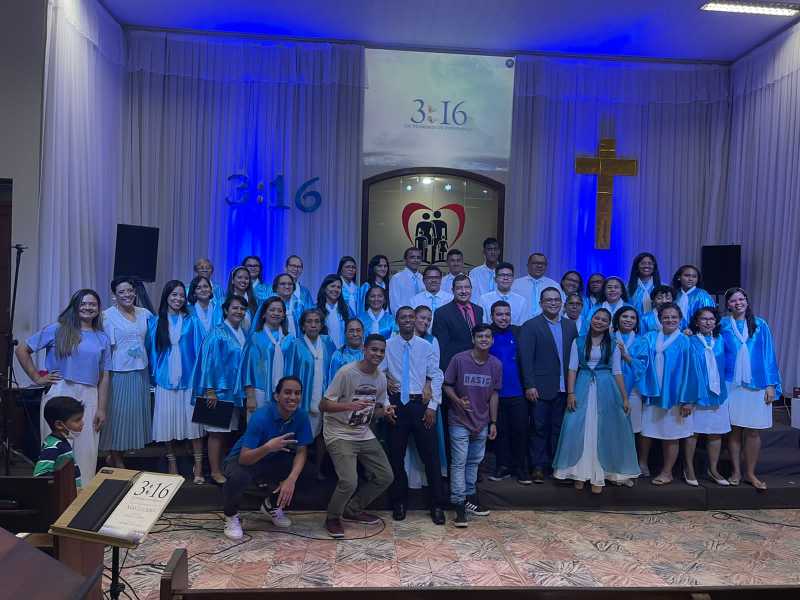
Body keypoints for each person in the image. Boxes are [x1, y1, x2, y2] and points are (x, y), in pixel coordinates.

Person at [17, 289, 110, 484]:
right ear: (75, 306)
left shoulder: (102, 337)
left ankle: (82, 496)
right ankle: (54, 496)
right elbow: (22, 349)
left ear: (98, 309)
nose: (88, 307)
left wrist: (102, 408)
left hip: (89, 394)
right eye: (83, 303)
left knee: (87, 451)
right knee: (56, 450)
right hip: (60, 391)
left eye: (92, 304)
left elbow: (104, 376)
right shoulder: (57, 329)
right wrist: (37, 377)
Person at [553, 308, 639, 493]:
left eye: (604, 320)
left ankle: (599, 474)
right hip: (582, 386)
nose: (599, 322)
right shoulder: (578, 341)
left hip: (607, 388)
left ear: (609, 324)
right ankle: (579, 473)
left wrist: (625, 397)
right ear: (591, 319)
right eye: (596, 318)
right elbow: (572, 369)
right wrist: (570, 393)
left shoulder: (614, 344)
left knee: (604, 429)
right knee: (577, 428)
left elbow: (617, 371)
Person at [320, 335, 395, 538]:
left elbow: (374, 411)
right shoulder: (347, 372)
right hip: (338, 431)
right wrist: (348, 406)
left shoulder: (380, 378)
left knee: (385, 476)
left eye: (381, 351)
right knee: (349, 481)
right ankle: (333, 517)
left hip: (362, 431)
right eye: (374, 349)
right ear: (364, 349)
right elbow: (323, 405)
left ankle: (353, 509)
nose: (378, 354)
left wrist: (384, 412)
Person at [222, 376, 312, 540]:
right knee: (238, 476)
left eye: (297, 393)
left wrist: (291, 479)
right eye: (288, 392)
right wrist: (268, 447)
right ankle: (231, 515)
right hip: (244, 458)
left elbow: (301, 451)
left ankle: (271, 506)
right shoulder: (261, 416)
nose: (293, 397)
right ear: (277, 396)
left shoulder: (301, 416)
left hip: (272, 458)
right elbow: (244, 458)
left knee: (304, 470)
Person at [383, 307, 446, 525]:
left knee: (431, 457)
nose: (408, 320)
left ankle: (437, 504)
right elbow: (379, 373)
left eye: (411, 317)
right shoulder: (388, 345)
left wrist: (433, 407)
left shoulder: (425, 346)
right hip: (396, 406)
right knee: (396, 457)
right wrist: (385, 404)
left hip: (421, 405)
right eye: (404, 317)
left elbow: (436, 375)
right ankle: (399, 502)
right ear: (397, 321)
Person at [720, 288, 782, 490]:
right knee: (734, 430)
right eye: (733, 300)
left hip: (757, 384)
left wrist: (771, 384)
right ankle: (736, 471)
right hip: (731, 384)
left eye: (741, 299)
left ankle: (750, 473)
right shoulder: (723, 324)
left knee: (753, 431)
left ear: (747, 301)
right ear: (728, 305)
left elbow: (769, 354)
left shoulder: (760, 324)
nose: (738, 303)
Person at [518, 286, 578, 483]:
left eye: (556, 299)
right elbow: (525, 358)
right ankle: (538, 466)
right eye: (548, 300)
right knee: (539, 428)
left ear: (562, 303)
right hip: (540, 387)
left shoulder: (570, 325)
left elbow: (574, 358)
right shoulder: (531, 325)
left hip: (565, 387)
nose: (553, 303)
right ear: (541, 303)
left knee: (559, 428)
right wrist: (529, 385)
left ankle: (557, 465)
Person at [634, 303, 698, 485]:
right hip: (653, 392)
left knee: (671, 433)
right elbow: (637, 359)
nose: (670, 320)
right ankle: (642, 464)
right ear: (659, 319)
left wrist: (688, 400)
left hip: (675, 396)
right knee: (647, 431)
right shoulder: (650, 337)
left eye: (674, 317)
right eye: (666, 317)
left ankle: (667, 472)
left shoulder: (685, 341)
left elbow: (692, 371)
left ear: (680, 319)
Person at [148, 281, 205, 483]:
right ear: (166, 296)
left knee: (193, 426)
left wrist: (200, 379)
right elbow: (153, 352)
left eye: (181, 295)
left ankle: (198, 465)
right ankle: (172, 462)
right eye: (174, 295)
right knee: (166, 424)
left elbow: (200, 350)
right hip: (165, 380)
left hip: (189, 379)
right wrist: (154, 378)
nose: (178, 299)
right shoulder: (156, 321)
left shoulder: (192, 321)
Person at [444, 324, 500, 527]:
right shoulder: (459, 360)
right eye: (480, 336)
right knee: (459, 463)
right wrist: (458, 401)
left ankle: (469, 499)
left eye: (487, 336)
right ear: (473, 339)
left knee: (474, 462)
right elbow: (447, 385)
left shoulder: (496, 364)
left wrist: (493, 422)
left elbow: (494, 394)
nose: (484, 339)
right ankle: (459, 504)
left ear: (492, 340)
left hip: (482, 421)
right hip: (459, 420)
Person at [192, 295, 248, 485]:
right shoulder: (217, 332)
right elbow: (208, 363)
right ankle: (215, 472)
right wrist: (209, 390)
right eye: (235, 308)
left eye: (242, 309)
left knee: (225, 432)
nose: (239, 311)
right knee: (215, 433)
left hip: (233, 391)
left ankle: (221, 468)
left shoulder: (242, 332)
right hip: (218, 391)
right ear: (225, 310)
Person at [100, 277, 153, 469]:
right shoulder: (106, 316)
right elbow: (105, 348)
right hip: (118, 372)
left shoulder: (144, 313)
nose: (127, 295)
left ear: (135, 292)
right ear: (114, 295)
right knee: (118, 416)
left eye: (130, 291)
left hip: (140, 370)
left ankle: (117, 456)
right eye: (121, 292)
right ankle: (116, 458)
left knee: (133, 416)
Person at [285, 309, 337, 479]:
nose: (313, 325)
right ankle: (295, 472)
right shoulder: (295, 344)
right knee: (300, 436)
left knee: (322, 436)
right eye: (309, 321)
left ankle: (317, 469)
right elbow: (289, 371)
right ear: (302, 325)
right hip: (302, 399)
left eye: (317, 321)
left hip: (324, 398)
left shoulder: (328, 342)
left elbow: (334, 369)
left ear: (321, 325)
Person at [685, 307, 731, 487]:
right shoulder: (689, 340)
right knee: (692, 432)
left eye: (711, 319)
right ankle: (688, 468)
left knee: (716, 432)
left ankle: (713, 469)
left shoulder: (720, 339)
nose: (708, 322)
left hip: (718, 394)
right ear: (696, 322)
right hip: (696, 394)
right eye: (703, 319)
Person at [487, 301, 531, 485]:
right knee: (500, 432)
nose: (503, 318)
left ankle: (521, 468)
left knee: (520, 431)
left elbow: (527, 360)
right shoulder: (487, 333)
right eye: (499, 314)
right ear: (492, 316)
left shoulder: (519, 332)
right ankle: (503, 466)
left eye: (507, 314)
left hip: (518, 392)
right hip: (494, 394)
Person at [240, 297, 294, 412]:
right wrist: (250, 397)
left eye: (280, 311)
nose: (276, 313)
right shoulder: (255, 338)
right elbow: (247, 369)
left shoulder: (290, 339)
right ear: (264, 314)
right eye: (272, 310)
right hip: (259, 392)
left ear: (284, 316)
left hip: (285, 394)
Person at [612, 307, 648, 469]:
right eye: (624, 316)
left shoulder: (642, 341)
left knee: (632, 428)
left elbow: (644, 367)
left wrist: (626, 356)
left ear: (637, 322)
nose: (628, 320)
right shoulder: (610, 338)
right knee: (612, 427)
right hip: (611, 388)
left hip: (633, 390)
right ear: (617, 319)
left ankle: (630, 464)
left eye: (632, 317)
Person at [432, 274, 484, 372]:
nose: (464, 291)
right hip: (455, 367)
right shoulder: (442, 313)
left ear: (471, 289)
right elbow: (442, 348)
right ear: (453, 290)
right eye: (459, 288)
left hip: (478, 365)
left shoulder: (479, 310)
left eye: (467, 287)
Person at [34, 396, 84, 488]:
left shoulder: (61, 442)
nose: (82, 423)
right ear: (59, 425)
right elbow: (40, 475)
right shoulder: (53, 446)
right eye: (77, 420)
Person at [512, 253, 563, 320]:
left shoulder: (554, 285)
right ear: (528, 265)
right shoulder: (515, 284)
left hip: (546, 324)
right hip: (520, 323)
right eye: (535, 263)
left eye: (543, 264)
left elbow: (561, 307)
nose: (539, 266)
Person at [671, 265, 716, 331]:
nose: (690, 279)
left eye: (694, 276)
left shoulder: (702, 295)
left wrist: (693, 329)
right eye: (687, 275)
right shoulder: (674, 294)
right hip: (674, 332)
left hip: (697, 332)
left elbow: (710, 316)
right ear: (679, 277)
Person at [410, 265, 453, 330]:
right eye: (430, 277)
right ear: (423, 280)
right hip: (422, 335)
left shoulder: (451, 299)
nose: (433, 280)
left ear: (441, 279)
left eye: (436, 277)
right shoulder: (414, 300)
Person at [317, 274, 353, 349]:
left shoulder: (347, 309)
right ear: (325, 288)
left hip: (343, 351)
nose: (336, 290)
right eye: (332, 286)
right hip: (322, 351)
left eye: (338, 287)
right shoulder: (316, 309)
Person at [389, 247, 424, 311]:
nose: (416, 260)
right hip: (404, 316)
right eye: (412, 257)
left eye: (418, 258)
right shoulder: (396, 278)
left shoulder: (423, 279)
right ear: (405, 260)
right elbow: (394, 304)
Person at [226, 266, 258, 332]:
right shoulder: (224, 300)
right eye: (239, 277)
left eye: (246, 278)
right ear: (232, 280)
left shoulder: (255, 301)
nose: (243, 281)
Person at [271, 273, 303, 337]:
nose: (287, 287)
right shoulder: (269, 304)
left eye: (290, 284)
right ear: (276, 287)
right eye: (283, 284)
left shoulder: (299, 305)